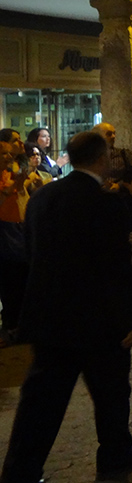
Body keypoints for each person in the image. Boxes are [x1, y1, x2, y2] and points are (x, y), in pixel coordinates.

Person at [0, 132, 132, 483]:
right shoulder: (107, 203)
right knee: (112, 391)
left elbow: (34, 254)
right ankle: (115, 453)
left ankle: (19, 476)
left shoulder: (43, 196)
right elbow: (115, 268)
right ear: (102, 160)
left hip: (49, 316)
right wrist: (130, 317)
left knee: (40, 402)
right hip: (97, 319)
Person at [0, 139, 29, 342]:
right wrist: (12, 187)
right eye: (5, 154)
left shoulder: (8, 173)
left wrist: (18, 183)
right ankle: (11, 326)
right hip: (4, 230)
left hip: (15, 227)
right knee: (10, 280)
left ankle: (18, 324)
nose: (10, 158)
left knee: (19, 278)